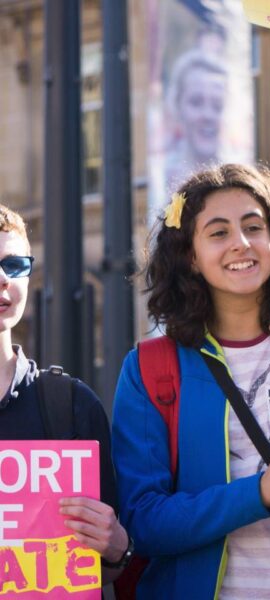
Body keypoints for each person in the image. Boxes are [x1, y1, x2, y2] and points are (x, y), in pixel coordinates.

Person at [112, 163, 270, 599]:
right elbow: (144, 522)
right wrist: (259, 492)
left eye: (254, 226)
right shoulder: (150, 368)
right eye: (218, 232)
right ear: (190, 255)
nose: (241, 244)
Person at [0, 204, 131, 583]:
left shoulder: (72, 405)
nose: (2, 278)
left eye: (15, 265)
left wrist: (118, 544)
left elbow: (112, 567)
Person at [163, 49, 228, 188]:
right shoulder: (159, 179)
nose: (208, 115)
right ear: (177, 106)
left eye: (217, 105)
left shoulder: (242, 171)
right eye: (196, 102)